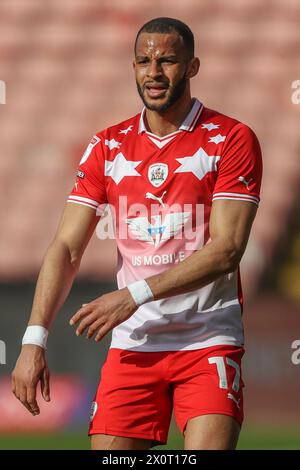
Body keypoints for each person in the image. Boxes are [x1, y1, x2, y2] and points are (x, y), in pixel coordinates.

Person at [12, 17, 262, 450]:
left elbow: (227, 250)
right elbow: (67, 249)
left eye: (167, 60)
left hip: (207, 341)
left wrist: (134, 296)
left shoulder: (230, 138)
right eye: (144, 61)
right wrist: (34, 340)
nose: (154, 72)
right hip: (134, 345)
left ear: (193, 66)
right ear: (133, 67)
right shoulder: (107, 146)